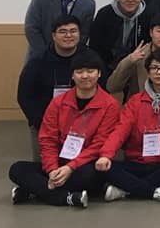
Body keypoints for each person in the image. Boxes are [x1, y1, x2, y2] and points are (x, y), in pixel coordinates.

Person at [9, 50, 119, 208]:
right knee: (17, 169)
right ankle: (64, 197)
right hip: (59, 162)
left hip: (84, 164)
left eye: (90, 71)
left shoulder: (110, 105)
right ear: (72, 75)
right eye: (79, 71)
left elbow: (99, 144)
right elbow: (47, 138)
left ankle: (36, 190)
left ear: (99, 74)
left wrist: (70, 167)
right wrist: (52, 169)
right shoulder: (58, 102)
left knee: (91, 175)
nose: (85, 76)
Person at [95, 48, 160, 203]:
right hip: (136, 161)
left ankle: (125, 190)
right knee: (105, 167)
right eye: (154, 68)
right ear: (148, 73)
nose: (159, 72)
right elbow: (120, 130)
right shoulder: (135, 101)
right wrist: (106, 155)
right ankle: (155, 192)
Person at [18, 16, 84, 160]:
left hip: (80, 124)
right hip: (44, 122)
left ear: (80, 34)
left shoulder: (89, 59)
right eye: (63, 31)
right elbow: (24, 96)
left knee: (79, 167)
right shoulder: (37, 61)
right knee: (44, 165)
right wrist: (41, 122)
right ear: (53, 36)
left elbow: (101, 92)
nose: (68, 35)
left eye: (73, 31)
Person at [106, 14, 160, 100]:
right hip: (138, 107)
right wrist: (129, 61)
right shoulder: (138, 56)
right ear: (151, 32)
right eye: (159, 31)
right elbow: (112, 86)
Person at [24, 0, 95, 60]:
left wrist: (71, 54)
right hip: (39, 56)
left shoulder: (88, 4)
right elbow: (31, 28)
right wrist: (46, 54)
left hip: (71, 58)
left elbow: (83, 35)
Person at [88, 0, 150, 77]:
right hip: (107, 66)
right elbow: (95, 45)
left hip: (137, 65)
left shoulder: (148, 15)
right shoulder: (105, 14)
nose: (130, 0)